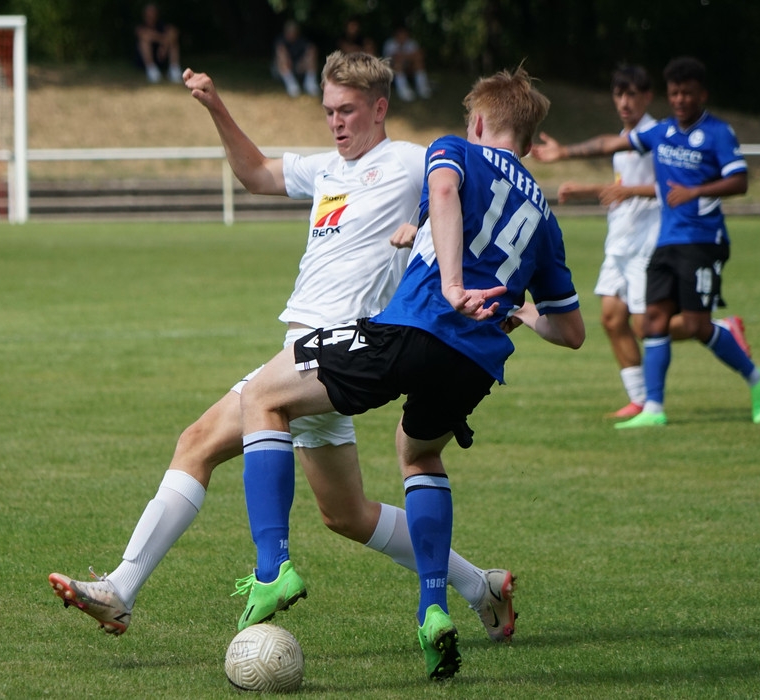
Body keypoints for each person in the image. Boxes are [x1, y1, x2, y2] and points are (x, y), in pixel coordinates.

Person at [48, 51, 518, 647]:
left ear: (380, 108)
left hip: (339, 348)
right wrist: (217, 107)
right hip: (313, 353)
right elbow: (258, 174)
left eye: (348, 110)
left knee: (197, 442)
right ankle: (481, 586)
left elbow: (471, 198)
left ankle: (126, 588)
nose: (336, 122)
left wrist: (437, 235)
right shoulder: (325, 169)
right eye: (328, 111)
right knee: (346, 514)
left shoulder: (411, 161)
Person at [236, 66, 585, 680]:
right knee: (418, 454)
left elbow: (445, 192)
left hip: (415, 329)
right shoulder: (545, 219)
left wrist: (450, 284)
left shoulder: (455, 150)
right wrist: (522, 312)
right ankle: (433, 609)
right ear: (530, 144)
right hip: (476, 362)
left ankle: (272, 569)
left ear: (479, 122)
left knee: (264, 396)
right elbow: (572, 331)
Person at [533, 56, 760, 428]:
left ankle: (755, 375)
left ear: (702, 94)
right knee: (648, 322)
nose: (680, 100)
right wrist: (565, 153)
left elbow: (739, 181)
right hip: (663, 240)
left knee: (692, 325)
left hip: (700, 240)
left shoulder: (717, 133)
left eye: (687, 93)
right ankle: (652, 408)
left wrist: (694, 191)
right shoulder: (662, 133)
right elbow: (610, 145)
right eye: (675, 93)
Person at [554, 65, 661, 417]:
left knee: (646, 326)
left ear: (647, 96)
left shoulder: (657, 136)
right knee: (612, 320)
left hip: (647, 241)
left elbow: (671, 187)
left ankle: (718, 330)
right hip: (620, 240)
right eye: (619, 95)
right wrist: (585, 190)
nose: (625, 102)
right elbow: (621, 188)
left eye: (632, 94)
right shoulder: (623, 139)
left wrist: (627, 191)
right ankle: (639, 400)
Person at [135, 3, 182, 84]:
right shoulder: (140, 26)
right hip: (144, 60)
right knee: (144, 42)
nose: (151, 15)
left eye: (153, 13)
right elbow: (145, 35)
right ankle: (152, 71)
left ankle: (174, 70)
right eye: (148, 13)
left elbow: (174, 32)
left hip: (162, 57)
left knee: (173, 42)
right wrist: (164, 41)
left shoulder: (162, 25)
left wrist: (164, 46)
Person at [382, 26, 431, 101]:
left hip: (408, 66)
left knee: (419, 63)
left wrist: (405, 57)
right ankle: (404, 91)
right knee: (398, 65)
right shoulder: (390, 43)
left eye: (404, 34)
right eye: (400, 34)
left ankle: (423, 88)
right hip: (391, 69)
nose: (402, 37)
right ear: (396, 35)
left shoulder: (411, 43)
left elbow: (419, 55)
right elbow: (395, 58)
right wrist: (409, 56)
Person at [274, 20, 319, 98]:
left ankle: (310, 83)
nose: (291, 34)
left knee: (312, 52)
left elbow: (311, 49)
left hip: (299, 67)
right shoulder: (280, 41)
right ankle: (292, 85)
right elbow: (280, 55)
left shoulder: (302, 41)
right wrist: (287, 61)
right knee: (282, 58)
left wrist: (303, 61)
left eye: (293, 32)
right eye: (289, 32)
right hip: (282, 69)